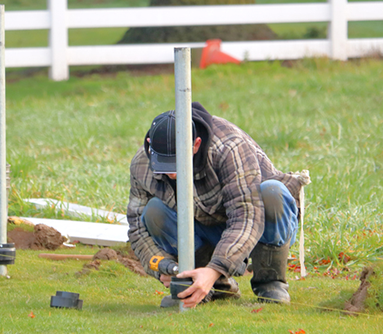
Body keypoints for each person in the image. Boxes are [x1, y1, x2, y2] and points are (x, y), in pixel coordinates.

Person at [127, 102, 310, 308]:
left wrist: (214, 269)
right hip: (204, 225)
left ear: (195, 145)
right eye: (164, 163)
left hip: (257, 224)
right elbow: (137, 228)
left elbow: (247, 216)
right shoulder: (141, 164)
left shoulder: (229, 148)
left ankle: (270, 282)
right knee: (154, 212)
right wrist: (163, 265)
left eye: (178, 163)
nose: (171, 173)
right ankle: (216, 287)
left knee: (272, 192)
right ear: (151, 145)